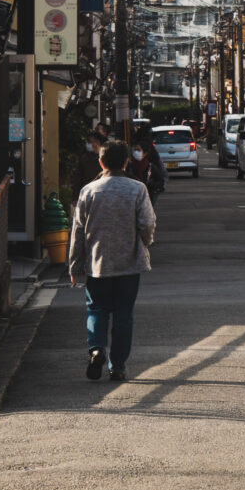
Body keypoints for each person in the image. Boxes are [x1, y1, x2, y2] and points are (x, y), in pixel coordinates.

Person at [69, 141, 156, 381]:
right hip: (129, 263)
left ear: (101, 162)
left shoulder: (89, 191)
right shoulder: (137, 189)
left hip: (97, 263)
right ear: (127, 162)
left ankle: (97, 348)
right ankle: (117, 366)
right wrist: (145, 242)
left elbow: (77, 231)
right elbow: (147, 223)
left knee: (96, 308)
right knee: (123, 314)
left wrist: (74, 264)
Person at [129, 138, 166, 209]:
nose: (136, 152)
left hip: (147, 198)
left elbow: (160, 181)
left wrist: (151, 185)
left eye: (138, 150)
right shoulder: (129, 166)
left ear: (145, 153)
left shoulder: (151, 167)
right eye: (135, 150)